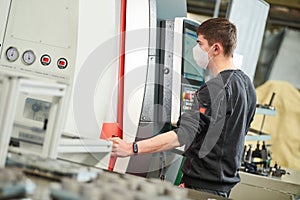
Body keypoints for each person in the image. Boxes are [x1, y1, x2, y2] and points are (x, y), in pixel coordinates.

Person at [108, 18, 256, 198]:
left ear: (216, 48)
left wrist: (131, 148)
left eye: (200, 43)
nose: (196, 50)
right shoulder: (247, 85)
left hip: (201, 187)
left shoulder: (213, 89)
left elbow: (182, 135)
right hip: (223, 187)